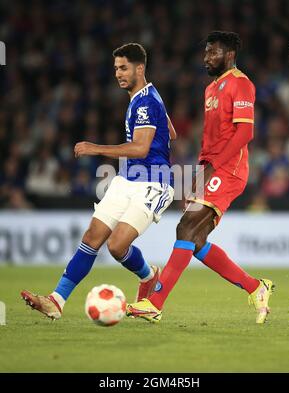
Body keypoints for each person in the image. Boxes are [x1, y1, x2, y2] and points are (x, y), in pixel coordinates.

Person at [127, 31, 275, 324]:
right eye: (205, 53)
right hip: (211, 168)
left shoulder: (241, 84)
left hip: (230, 168)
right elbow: (211, 141)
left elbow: (245, 132)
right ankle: (255, 287)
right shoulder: (210, 89)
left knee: (186, 227)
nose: (206, 58)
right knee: (194, 241)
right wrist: (200, 172)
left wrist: (213, 167)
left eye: (213, 52)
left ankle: (154, 303)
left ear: (229, 55)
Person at [21, 43, 176, 320]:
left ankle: (148, 276)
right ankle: (56, 301)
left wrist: (95, 148)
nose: (118, 73)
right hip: (128, 178)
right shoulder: (146, 96)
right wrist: (160, 133)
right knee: (92, 237)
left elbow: (140, 149)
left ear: (140, 68)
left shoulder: (146, 101)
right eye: (116, 68)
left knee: (116, 246)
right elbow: (171, 133)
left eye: (124, 67)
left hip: (153, 183)